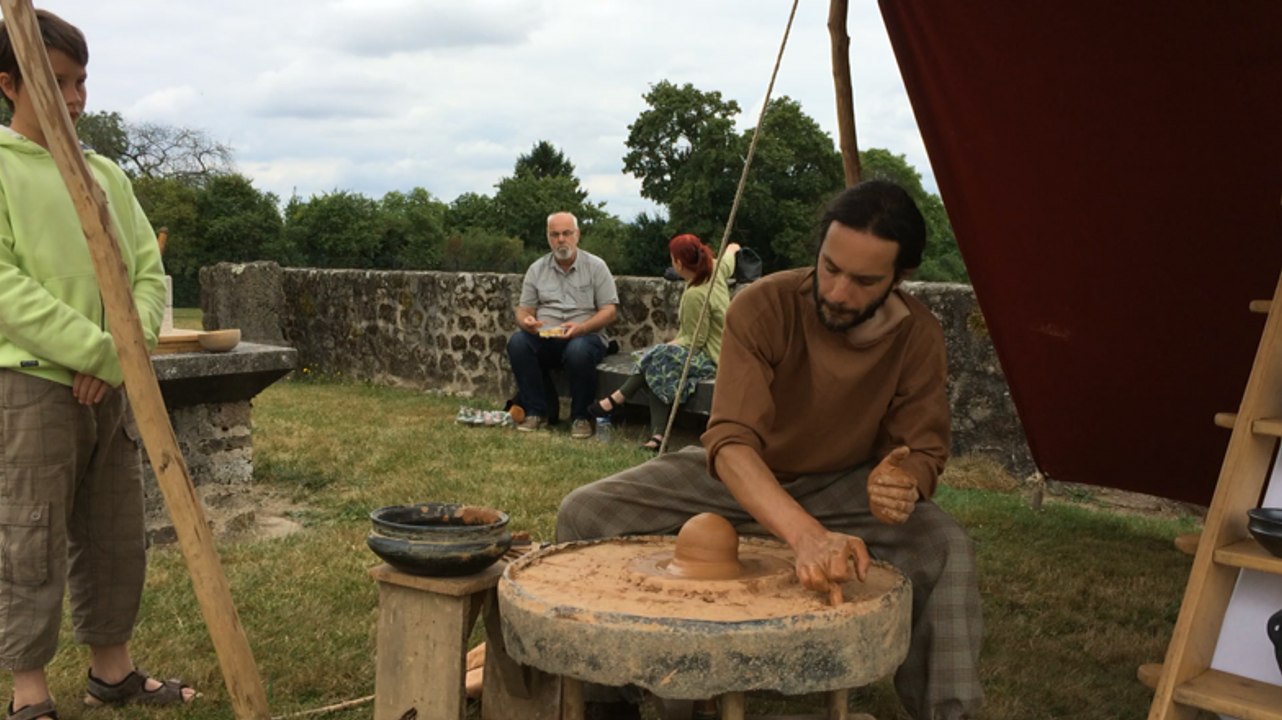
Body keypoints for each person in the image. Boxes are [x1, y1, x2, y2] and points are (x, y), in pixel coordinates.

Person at [557, 181, 983, 720]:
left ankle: (949, 714)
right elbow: (731, 441)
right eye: (830, 267)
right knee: (585, 512)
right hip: (742, 475)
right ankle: (605, 700)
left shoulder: (918, 335)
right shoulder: (763, 305)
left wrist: (906, 480)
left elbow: (923, 448)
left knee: (946, 547)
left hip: (844, 484)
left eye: (864, 280)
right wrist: (805, 536)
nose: (838, 291)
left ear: (901, 278)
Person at [0, 10, 196, 720]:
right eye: (56, 83)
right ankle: (29, 691)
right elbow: (6, 288)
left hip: (114, 384)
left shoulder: (106, 173)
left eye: (81, 81)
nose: (76, 99)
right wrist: (95, 350)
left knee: (114, 530)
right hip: (30, 381)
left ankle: (111, 670)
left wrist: (117, 358)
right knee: (29, 534)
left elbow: (145, 274)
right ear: (7, 84)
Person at [588, 234, 739, 451]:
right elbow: (728, 260)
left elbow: (697, 340)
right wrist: (733, 248)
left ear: (678, 262)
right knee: (657, 360)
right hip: (724, 348)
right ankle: (654, 434)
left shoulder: (695, 295)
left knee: (658, 359)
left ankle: (619, 401)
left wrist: (671, 345)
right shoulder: (714, 268)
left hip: (712, 356)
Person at [507, 211, 619, 439]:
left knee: (578, 350)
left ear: (577, 235)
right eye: (555, 234)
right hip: (547, 336)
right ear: (548, 238)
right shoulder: (537, 269)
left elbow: (609, 311)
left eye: (566, 233)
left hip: (585, 335)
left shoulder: (596, 267)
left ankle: (580, 417)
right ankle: (537, 411)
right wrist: (526, 321)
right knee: (518, 343)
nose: (561, 240)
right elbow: (524, 309)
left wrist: (583, 328)